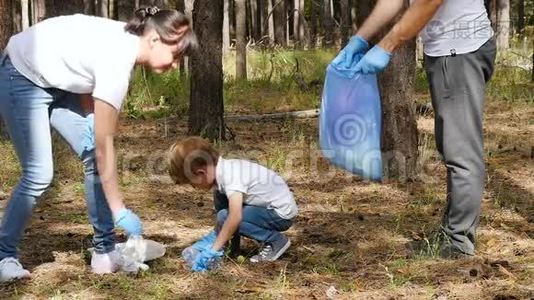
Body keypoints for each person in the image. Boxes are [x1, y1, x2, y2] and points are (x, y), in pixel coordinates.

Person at [0, 6, 197, 281]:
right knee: (39, 173)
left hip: (59, 81)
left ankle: (104, 252)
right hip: (22, 73)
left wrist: (90, 120)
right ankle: (3, 256)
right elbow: (106, 147)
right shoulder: (118, 60)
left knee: (92, 154)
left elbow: (83, 75)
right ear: (154, 39)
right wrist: (119, 209)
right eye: (175, 55)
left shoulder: (123, 47)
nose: (175, 64)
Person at [332, 0, 496, 257]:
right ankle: (451, 232)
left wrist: (386, 46)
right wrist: (360, 39)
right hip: (447, 51)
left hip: (460, 51)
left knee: (460, 151)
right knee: (451, 146)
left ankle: (459, 243)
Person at [167, 137, 298, 271]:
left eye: (192, 184)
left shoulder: (231, 177)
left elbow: (234, 217)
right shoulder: (221, 176)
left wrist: (214, 249)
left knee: (225, 216)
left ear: (201, 173)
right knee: (220, 200)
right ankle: (231, 246)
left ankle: (275, 241)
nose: (194, 188)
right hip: (263, 209)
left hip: (280, 214)